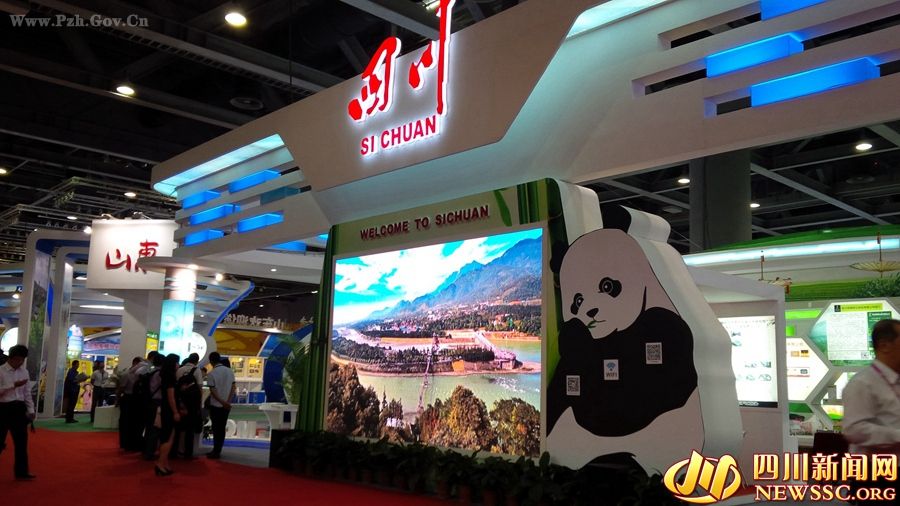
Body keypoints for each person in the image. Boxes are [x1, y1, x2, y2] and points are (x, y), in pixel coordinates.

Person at [843, 319, 900, 504]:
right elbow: (854, 429)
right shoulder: (862, 383)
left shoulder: (896, 380)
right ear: (884, 345)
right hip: (875, 473)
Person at [0, 345, 36, 480]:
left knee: (21, 442)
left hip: (19, 409)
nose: (20, 362)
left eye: (22, 360)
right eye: (18, 359)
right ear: (11, 358)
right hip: (3, 408)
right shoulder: (1, 371)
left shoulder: (24, 372)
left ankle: (21, 472)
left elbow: (27, 393)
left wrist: (31, 410)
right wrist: (13, 385)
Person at [171, 353, 203, 459]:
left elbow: (176, 386)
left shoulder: (179, 370)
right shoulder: (197, 370)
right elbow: (199, 388)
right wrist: (199, 403)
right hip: (192, 404)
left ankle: (175, 451)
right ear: (197, 361)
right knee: (190, 430)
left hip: (180, 402)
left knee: (178, 428)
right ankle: (188, 453)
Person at [155, 353, 180, 476]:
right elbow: (171, 397)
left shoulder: (164, 375)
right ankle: (160, 464)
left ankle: (164, 463)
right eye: (177, 362)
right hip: (169, 410)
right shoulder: (170, 378)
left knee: (168, 437)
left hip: (165, 408)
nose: (178, 365)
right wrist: (175, 411)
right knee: (168, 438)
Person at [206, 352, 235, 460]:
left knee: (216, 428)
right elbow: (233, 387)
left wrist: (222, 402)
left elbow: (213, 391)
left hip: (216, 405)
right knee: (222, 428)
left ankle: (216, 450)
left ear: (211, 361)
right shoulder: (230, 371)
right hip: (226, 406)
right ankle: (218, 450)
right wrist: (227, 402)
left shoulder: (212, 374)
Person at [117, 357, 144, 451]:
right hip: (129, 398)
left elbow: (121, 389)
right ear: (135, 363)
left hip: (133, 399)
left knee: (134, 422)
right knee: (128, 422)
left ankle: (132, 443)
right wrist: (118, 399)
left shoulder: (139, 375)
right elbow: (121, 389)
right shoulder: (127, 374)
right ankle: (127, 443)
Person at [142, 351, 163, 460]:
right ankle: (150, 452)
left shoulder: (150, 372)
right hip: (157, 403)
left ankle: (146, 450)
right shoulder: (160, 374)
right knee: (155, 428)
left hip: (149, 401)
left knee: (149, 427)